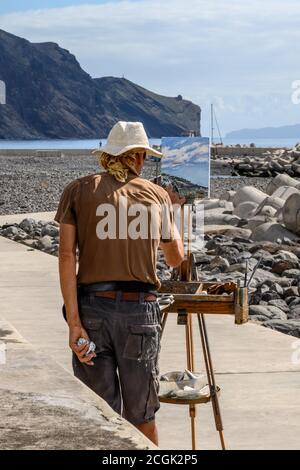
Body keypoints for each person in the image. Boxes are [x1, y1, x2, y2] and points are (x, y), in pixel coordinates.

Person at [55, 121, 184, 445]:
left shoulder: (78, 189)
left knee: (100, 414)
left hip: (92, 313)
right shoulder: (156, 195)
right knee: (142, 415)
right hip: (139, 314)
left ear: (107, 156)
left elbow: (67, 258)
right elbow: (174, 258)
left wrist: (74, 324)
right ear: (139, 157)